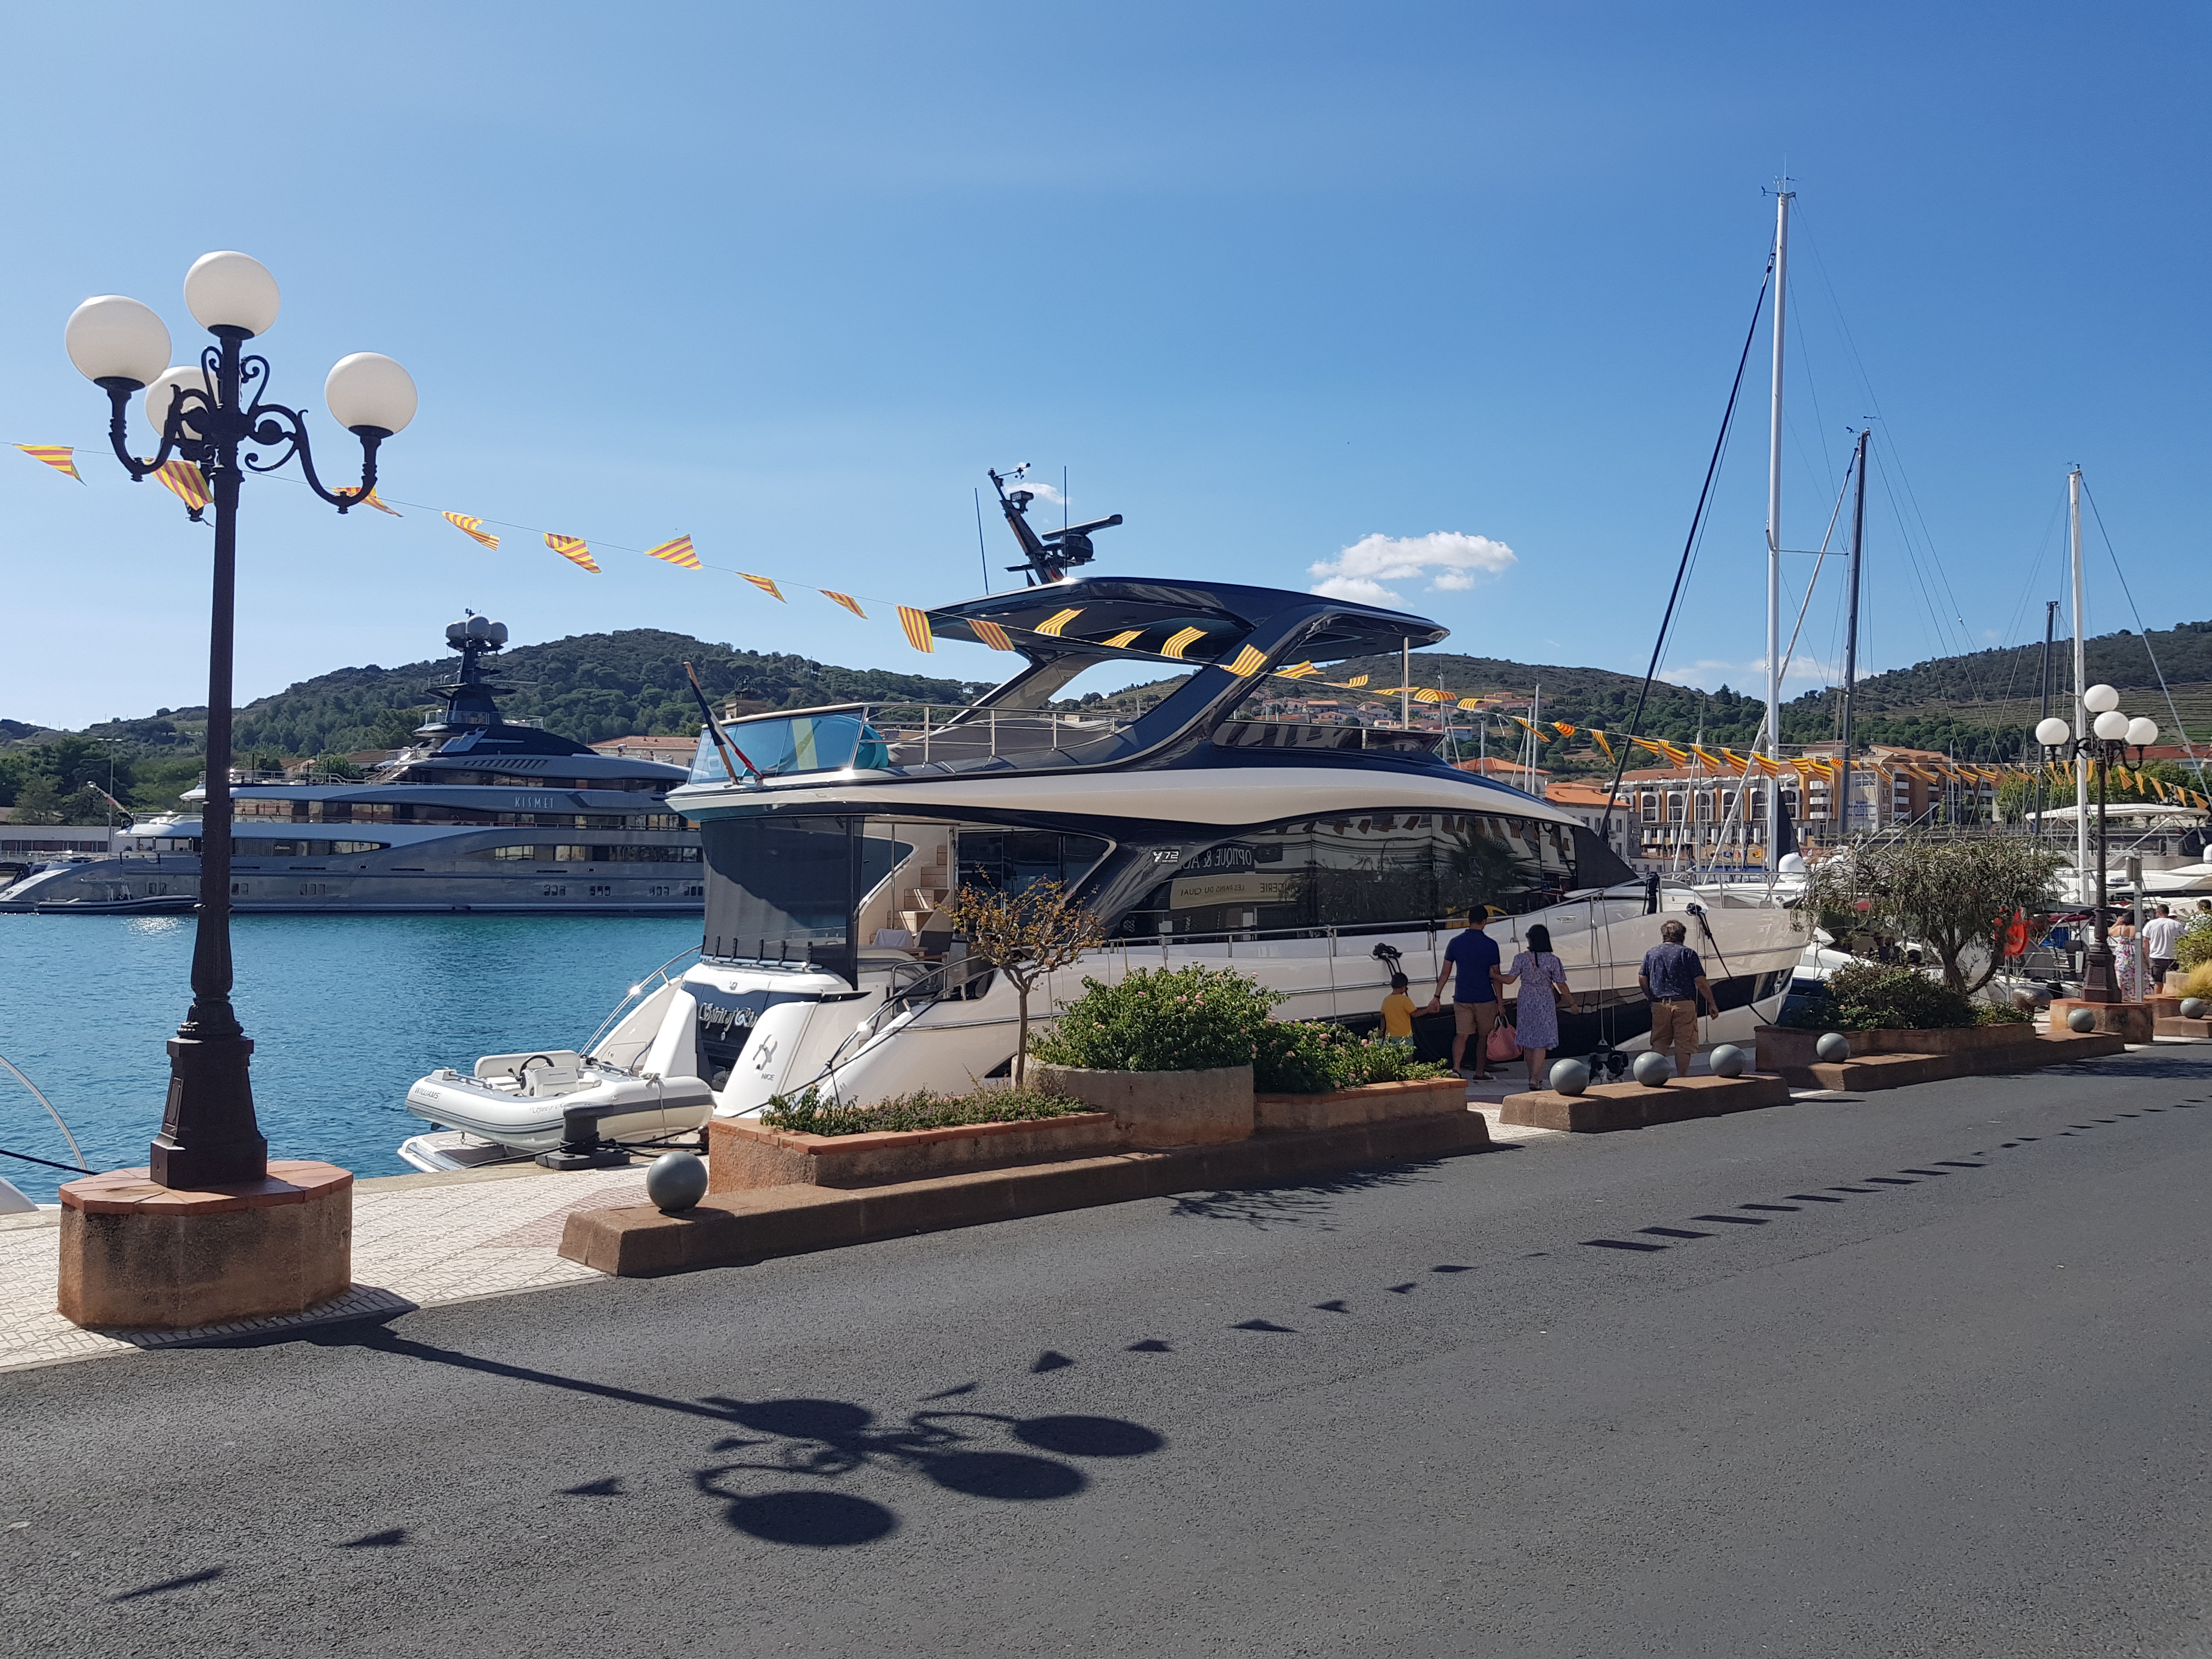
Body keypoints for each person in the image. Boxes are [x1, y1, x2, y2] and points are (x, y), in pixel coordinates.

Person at [1427, 911, 1505, 1080]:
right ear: (1485, 921)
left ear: (1469, 921)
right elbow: (1496, 976)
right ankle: (1479, 1072)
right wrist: (1500, 1002)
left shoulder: (1455, 943)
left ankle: (1456, 1069)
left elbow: (1445, 973)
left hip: (1462, 996)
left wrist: (1437, 996)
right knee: (1484, 1037)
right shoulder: (1491, 945)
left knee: (1461, 1035)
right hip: (1485, 997)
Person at [1639, 918, 1718, 1078]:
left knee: (1660, 1042)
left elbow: (1642, 978)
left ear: (1664, 935)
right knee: (1684, 1044)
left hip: (1660, 1003)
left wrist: (1650, 997)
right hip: (1684, 1003)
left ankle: (1654, 1077)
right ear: (1682, 935)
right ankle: (1682, 1078)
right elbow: (1700, 982)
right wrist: (1712, 1003)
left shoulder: (1651, 953)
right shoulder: (1687, 953)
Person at [1502, 923, 1577, 1088]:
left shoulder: (1521, 959)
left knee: (1529, 1040)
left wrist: (1494, 975)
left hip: (1526, 1000)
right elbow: (1561, 985)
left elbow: (1509, 980)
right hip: (1545, 1000)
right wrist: (1572, 1003)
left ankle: (1532, 1076)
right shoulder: (1553, 960)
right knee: (1541, 1041)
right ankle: (1535, 1078)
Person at [2142, 902, 2183, 993]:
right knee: (2170, 982)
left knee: (2158, 982)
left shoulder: (2151, 924)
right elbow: (2184, 939)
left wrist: (2146, 955)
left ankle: (2158, 1000)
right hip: (2173, 957)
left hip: (2156, 957)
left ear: (2158, 912)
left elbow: (2145, 941)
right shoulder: (2177, 924)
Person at [1379, 973, 1418, 1048]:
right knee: (1407, 1054)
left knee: (1393, 1054)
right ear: (1403, 988)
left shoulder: (1386, 1000)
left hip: (1390, 1035)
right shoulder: (1405, 1000)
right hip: (1405, 1035)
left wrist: (1382, 1031)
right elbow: (1414, 1014)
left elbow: (1383, 1017)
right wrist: (1428, 1010)